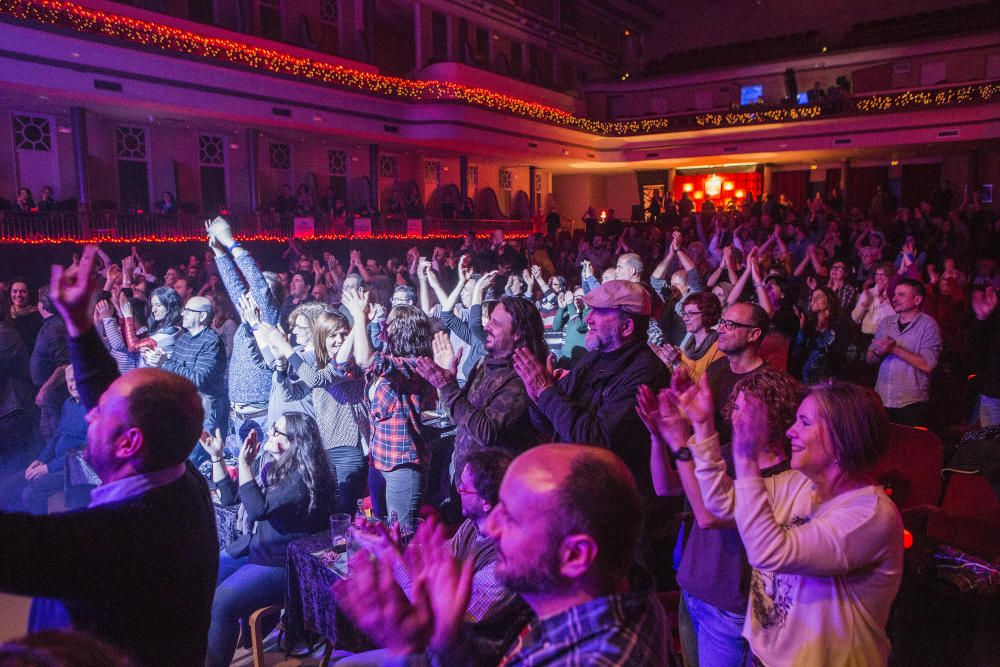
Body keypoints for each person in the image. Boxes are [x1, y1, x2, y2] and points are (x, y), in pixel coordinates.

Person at [0, 245, 218, 667]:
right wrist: (80, 324)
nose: (91, 410)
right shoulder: (177, 472)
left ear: (129, 444)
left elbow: (14, 546)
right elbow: (110, 394)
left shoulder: (119, 539)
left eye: (99, 415)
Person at [335, 445, 669, 665]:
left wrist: (408, 648)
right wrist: (445, 638)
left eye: (510, 516)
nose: (491, 526)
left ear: (575, 555)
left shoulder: (601, 659)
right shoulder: (615, 597)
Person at [687, 378, 902, 666]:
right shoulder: (800, 483)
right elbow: (721, 503)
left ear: (842, 436)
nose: (791, 431)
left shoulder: (870, 515)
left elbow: (770, 552)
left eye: (804, 422)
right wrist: (702, 426)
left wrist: (746, 456)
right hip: (761, 658)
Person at [638, 367, 800, 667]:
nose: (737, 418)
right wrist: (657, 438)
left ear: (777, 416)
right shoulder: (725, 453)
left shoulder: (784, 478)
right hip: (693, 593)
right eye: (735, 407)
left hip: (729, 610)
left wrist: (681, 442)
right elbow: (666, 486)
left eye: (748, 411)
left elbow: (708, 516)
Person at [337, 449, 524, 666]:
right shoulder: (472, 526)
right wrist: (396, 549)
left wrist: (393, 557)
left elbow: (435, 615)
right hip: (432, 648)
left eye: (463, 487)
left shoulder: (504, 564)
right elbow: (430, 567)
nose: (457, 490)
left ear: (486, 502)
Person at [200, 412, 336, 667]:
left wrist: (244, 465)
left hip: (282, 564)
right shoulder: (274, 468)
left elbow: (258, 510)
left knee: (221, 603)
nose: (270, 434)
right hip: (258, 550)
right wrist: (217, 458)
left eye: (277, 432)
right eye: (272, 429)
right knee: (204, 581)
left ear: (296, 441)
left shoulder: (301, 478)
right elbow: (232, 500)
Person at [513, 280, 667, 494]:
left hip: (611, 501)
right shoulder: (594, 358)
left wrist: (547, 392)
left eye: (599, 312)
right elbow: (551, 424)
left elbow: (596, 441)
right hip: (576, 489)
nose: (588, 318)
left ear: (627, 327)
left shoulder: (646, 373)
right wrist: (537, 397)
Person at [415, 296, 544, 481]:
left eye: (496, 324)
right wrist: (445, 384)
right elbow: (457, 415)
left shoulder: (521, 376)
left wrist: (448, 387)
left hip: (494, 489)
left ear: (518, 333)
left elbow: (486, 433)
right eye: (489, 320)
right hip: (467, 481)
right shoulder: (485, 363)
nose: (486, 327)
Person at [207, 217, 282, 444]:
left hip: (262, 416)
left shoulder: (269, 319)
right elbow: (235, 285)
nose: (251, 293)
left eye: (260, 290)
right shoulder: (248, 319)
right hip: (237, 414)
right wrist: (219, 253)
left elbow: (258, 286)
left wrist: (231, 243)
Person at [145, 296, 229, 460]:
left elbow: (198, 380)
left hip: (206, 409)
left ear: (203, 316)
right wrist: (157, 362)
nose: (183, 313)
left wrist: (166, 363)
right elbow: (174, 373)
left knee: (193, 458)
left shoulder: (212, 342)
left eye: (189, 311)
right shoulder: (184, 338)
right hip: (185, 405)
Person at [0, 365, 85, 514]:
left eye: (77, 379)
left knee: (31, 493)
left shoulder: (94, 408)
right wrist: (41, 459)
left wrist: (47, 468)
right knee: (7, 487)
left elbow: (84, 453)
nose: (73, 384)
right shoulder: (69, 403)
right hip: (55, 463)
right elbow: (57, 435)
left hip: (75, 468)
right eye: (70, 380)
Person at [866, 278, 942, 427]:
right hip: (882, 399)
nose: (894, 299)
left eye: (901, 295)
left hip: (911, 402)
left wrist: (894, 349)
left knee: (909, 448)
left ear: (917, 299)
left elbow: (928, 364)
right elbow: (869, 358)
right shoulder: (886, 322)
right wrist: (878, 353)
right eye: (894, 295)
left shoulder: (929, 325)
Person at [651, 290, 724, 382]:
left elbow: (706, 387)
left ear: (707, 314)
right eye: (685, 314)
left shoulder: (719, 348)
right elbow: (678, 381)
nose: (685, 318)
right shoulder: (689, 345)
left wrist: (678, 362)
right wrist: (668, 362)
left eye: (691, 314)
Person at [30, 286, 69, 443]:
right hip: (50, 390)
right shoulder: (52, 325)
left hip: (54, 391)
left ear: (42, 304)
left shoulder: (54, 328)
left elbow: (64, 365)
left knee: (55, 434)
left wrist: (45, 389)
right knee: (49, 433)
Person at [969, 286, 1000, 426]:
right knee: (990, 445)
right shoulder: (995, 310)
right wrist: (981, 318)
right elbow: (975, 349)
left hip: (992, 392)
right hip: (993, 393)